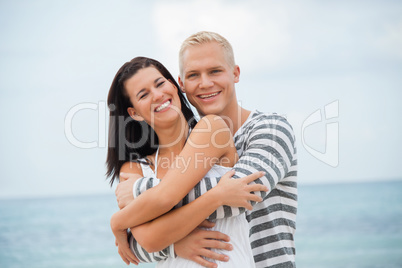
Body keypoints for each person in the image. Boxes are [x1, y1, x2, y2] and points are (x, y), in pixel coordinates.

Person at [116, 31, 298, 268]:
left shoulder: (270, 129)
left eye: (215, 71)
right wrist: (174, 245)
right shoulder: (157, 158)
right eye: (193, 75)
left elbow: (241, 194)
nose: (205, 83)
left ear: (235, 73)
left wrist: (136, 197)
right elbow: (139, 245)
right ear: (181, 84)